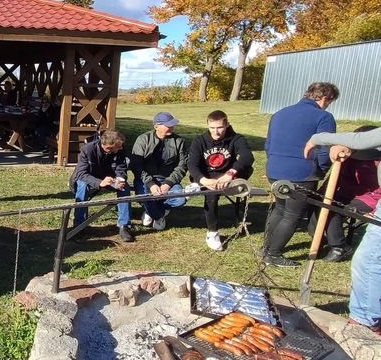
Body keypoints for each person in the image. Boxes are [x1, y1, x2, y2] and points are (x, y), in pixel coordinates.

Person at [305, 126, 381, 336]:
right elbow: (363, 144)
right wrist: (347, 148)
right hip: (367, 199)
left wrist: (318, 137)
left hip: (374, 199)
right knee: (368, 261)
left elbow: (361, 140)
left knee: (369, 261)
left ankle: (366, 321)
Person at [263, 82, 338, 267]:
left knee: (279, 209)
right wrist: (320, 169)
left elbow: (268, 145)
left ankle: (266, 247)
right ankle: (273, 254)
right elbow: (324, 149)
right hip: (301, 173)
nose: (328, 105)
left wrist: (275, 163)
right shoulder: (324, 117)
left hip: (275, 169)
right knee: (292, 215)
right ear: (325, 98)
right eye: (330, 101)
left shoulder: (279, 114)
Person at [306, 126, 379, 262]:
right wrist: (320, 194)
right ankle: (318, 237)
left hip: (370, 198)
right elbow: (335, 177)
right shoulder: (348, 157)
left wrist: (376, 211)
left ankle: (340, 247)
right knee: (317, 202)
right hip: (348, 193)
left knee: (334, 210)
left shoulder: (377, 163)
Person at [188, 110, 254, 251]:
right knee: (211, 196)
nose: (216, 132)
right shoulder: (199, 140)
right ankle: (212, 233)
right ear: (208, 126)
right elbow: (192, 165)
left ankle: (197, 186)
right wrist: (203, 180)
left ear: (227, 125)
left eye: (220, 127)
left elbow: (247, 157)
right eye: (212, 128)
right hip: (207, 176)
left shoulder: (236, 139)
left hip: (227, 176)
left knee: (247, 168)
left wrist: (230, 173)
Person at [69, 130, 133, 242]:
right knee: (82, 186)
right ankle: (79, 225)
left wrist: (120, 179)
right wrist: (99, 182)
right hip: (88, 178)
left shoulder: (120, 149)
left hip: (109, 178)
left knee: (124, 187)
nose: (121, 148)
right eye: (118, 147)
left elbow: (121, 167)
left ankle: (124, 225)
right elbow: (81, 173)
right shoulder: (87, 149)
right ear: (108, 147)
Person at [130, 111, 189, 231]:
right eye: (168, 125)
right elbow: (137, 165)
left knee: (180, 200)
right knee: (145, 198)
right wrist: (150, 183)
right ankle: (158, 216)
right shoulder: (143, 139)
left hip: (167, 178)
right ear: (156, 126)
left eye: (172, 124)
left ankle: (151, 211)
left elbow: (182, 165)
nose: (172, 127)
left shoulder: (179, 141)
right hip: (145, 179)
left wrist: (168, 183)